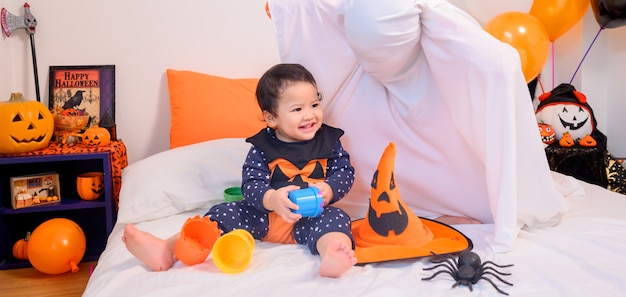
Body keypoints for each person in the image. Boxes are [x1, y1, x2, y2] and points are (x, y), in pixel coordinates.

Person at [123, 63, 358, 278]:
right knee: (221, 213)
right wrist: (272, 198)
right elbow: (251, 184)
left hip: (310, 216)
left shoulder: (329, 140)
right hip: (265, 216)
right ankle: (168, 249)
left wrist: (329, 189)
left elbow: (345, 172)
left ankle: (331, 254)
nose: (310, 114)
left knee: (337, 219)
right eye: (297, 109)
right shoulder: (262, 148)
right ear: (271, 118)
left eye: (315, 104)